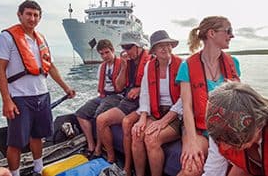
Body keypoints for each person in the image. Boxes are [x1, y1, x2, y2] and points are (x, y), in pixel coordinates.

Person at [0, 0, 75, 176]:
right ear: (19, 15)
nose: (32, 18)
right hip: (19, 98)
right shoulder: (6, 37)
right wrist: (7, 101)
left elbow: (50, 66)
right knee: (15, 143)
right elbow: (0, 70)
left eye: (36, 15)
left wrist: (65, 88)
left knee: (38, 136)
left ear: (40, 18)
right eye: (28, 14)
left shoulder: (41, 39)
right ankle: (14, 174)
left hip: (42, 96)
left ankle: (38, 169)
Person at [176, 16, 241, 176]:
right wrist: (191, 141)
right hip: (200, 130)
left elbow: (241, 101)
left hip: (227, 129)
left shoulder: (233, 63)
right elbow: (187, 107)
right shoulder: (187, 66)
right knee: (191, 168)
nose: (231, 36)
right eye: (228, 31)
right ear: (212, 33)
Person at [131, 30, 183, 176]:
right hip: (156, 112)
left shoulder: (182, 65)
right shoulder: (149, 66)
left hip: (177, 115)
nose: (165, 48)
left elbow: (185, 99)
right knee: (137, 133)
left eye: (168, 44)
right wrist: (142, 118)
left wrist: (163, 122)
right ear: (153, 50)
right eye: (160, 46)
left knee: (152, 139)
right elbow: (146, 93)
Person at [96, 31, 150, 164]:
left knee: (127, 123)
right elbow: (119, 88)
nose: (126, 50)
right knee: (101, 120)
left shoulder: (150, 60)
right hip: (129, 101)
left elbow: (156, 87)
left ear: (139, 46)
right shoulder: (127, 62)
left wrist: (140, 88)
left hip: (144, 101)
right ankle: (111, 157)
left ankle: (127, 165)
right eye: (124, 47)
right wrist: (124, 66)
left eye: (129, 47)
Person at [205, 81, 268, 176]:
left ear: (258, 126)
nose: (224, 147)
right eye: (218, 140)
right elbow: (213, 171)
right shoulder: (219, 128)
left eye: (232, 140)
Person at [75, 39, 124, 158]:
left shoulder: (122, 64)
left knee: (98, 115)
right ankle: (91, 145)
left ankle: (98, 147)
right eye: (102, 54)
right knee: (80, 114)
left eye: (107, 52)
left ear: (113, 51)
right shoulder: (102, 67)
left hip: (116, 96)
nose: (104, 56)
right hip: (103, 95)